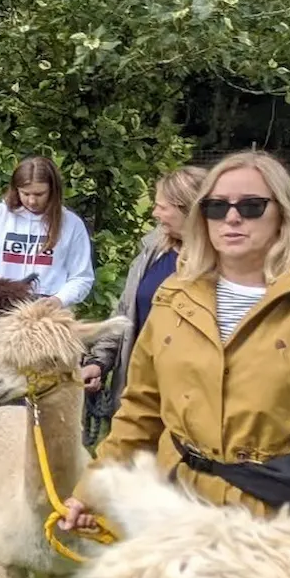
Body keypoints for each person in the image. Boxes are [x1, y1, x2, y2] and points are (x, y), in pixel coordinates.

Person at [62, 150, 290, 528]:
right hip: (178, 514)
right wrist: (92, 491)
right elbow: (140, 412)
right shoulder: (175, 297)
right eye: (216, 207)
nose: (232, 217)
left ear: (282, 213)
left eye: (251, 206)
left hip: (288, 521)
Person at [80, 165, 205, 446]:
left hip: (191, 405)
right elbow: (125, 314)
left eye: (162, 207)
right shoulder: (153, 252)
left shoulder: (223, 266)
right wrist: (99, 363)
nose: (154, 214)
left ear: (190, 210)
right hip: (139, 396)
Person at [0, 155, 94, 307]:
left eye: (39, 194)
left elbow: (82, 277)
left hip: (46, 310)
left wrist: (59, 300)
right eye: (25, 193)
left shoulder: (71, 223)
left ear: (53, 191)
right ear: (16, 190)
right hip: (0, 305)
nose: (32, 201)